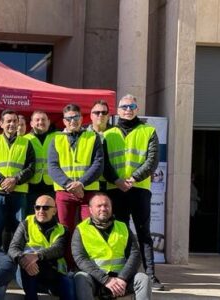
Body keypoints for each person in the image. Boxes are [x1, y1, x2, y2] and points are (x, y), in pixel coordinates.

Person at [103, 94, 163, 291]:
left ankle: (151, 276)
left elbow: (152, 161)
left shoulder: (149, 131)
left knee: (143, 233)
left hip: (139, 189)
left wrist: (133, 178)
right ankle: (123, 274)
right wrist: (118, 181)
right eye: (124, 106)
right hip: (116, 190)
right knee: (120, 234)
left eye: (132, 106)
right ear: (118, 110)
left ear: (137, 109)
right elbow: (103, 163)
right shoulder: (108, 134)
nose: (128, 109)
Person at [48, 103, 103, 271]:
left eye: (76, 117)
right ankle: (68, 266)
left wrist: (81, 183)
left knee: (90, 229)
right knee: (65, 230)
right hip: (64, 192)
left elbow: (98, 163)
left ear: (81, 118)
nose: (73, 121)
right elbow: (52, 166)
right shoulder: (56, 139)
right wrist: (69, 185)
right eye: (69, 118)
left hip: (88, 191)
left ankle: (88, 267)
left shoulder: (93, 137)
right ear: (64, 121)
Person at [72, 193, 151, 300]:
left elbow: (135, 254)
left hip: (121, 280)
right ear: (90, 209)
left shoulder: (122, 226)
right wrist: (105, 280)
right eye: (99, 206)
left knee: (143, 279)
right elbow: (80, 258)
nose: (103, 208)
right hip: (95, 280)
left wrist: (122, 278)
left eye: (106, 205)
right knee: (80, 278)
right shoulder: (81, 229)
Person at [0, 109, 35, 247]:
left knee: (20, 230)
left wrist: (15, 180)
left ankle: (17, 261)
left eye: (14, 121)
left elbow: (31, 167)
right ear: (1, 124)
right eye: (8, 121)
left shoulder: (26, 143)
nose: (11, 124)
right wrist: (3, 181)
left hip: (19, 192)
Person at [8, 195, 75, 300]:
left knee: (69, 290)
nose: (41, 210)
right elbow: (13, 248)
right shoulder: (25, 224)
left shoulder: (62, 229)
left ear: (54, 211)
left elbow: (58, 249)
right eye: (37, 207)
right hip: (29, 273)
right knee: (29, 264)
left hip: (53, 273)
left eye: (46, 207)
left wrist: (37, 255)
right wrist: (22, 259)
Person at [24, 111, 59, 215]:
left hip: (53, 186)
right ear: (31, 123)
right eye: (37, 120)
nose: (41, 122)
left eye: (43, 119)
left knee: (52, 217)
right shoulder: (25, 139)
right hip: (31, 186)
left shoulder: (58, 137)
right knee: (32, 217)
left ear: (49, 122)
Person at [86, 99, 112, 192]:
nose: (100, 115)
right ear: (91, 116)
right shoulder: (82, 136)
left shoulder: (117, 134)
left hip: (112, 184)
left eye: (104, 112)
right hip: (89, 184)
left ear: (108, 116)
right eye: (97, 112)